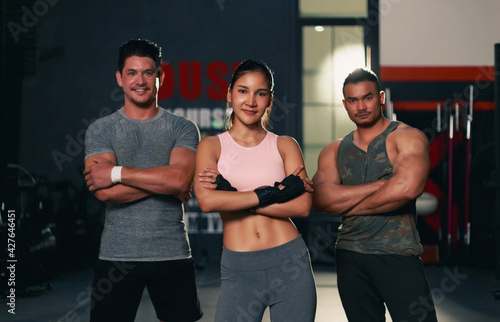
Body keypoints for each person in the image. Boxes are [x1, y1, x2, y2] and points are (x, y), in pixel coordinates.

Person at [83, 38, 203, 322]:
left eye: (148, 73)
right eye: (132, 73)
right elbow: (104, 193)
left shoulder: (183, 128)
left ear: (160, 76)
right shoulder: (101, 129)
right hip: (116, 255)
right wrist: (168, 182)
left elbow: (179, 181)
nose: (140, 81)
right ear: (119, 78)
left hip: (172, 253)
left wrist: (116, 173)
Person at [194, 59, 317, 321]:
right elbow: (206, 201)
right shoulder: (212, 146)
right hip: (239, 268)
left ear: (269, 99)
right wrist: (275, 193)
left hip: (290, 262)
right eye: (242, 91)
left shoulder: (285, 145)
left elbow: (302, 206)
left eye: (260, 93)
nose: (251, 101)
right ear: (229, 93)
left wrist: (234, 196)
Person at [312, 68, 438, 322]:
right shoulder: (334, 150)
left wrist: (348, 205)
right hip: (350, 256)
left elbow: (407, 188)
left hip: (397, 254)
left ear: (381, 98)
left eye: (367, 97)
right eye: (353, 100)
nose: (360, 106)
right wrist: (382, 185)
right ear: (344, 104)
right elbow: (320, 199)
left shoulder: (407, 137)